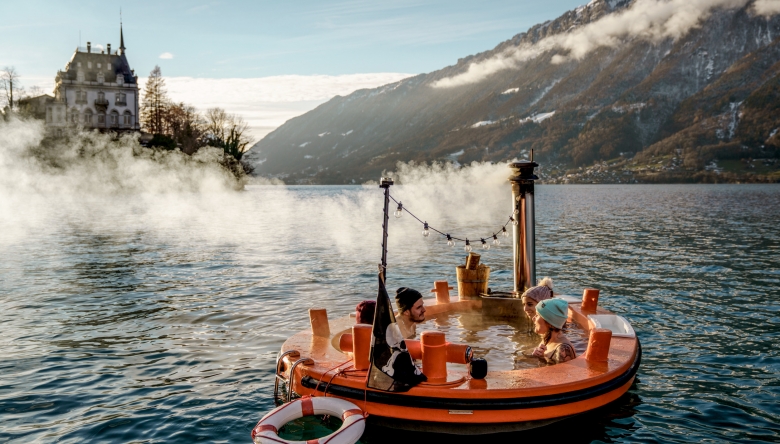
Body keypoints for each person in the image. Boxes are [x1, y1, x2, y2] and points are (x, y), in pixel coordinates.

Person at [531, 298, 576, 364]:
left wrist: (542, 360)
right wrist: (538, 357)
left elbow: (561, 374)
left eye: (537, 315)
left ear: (550, 323)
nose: (533, 318)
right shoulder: (547, 340)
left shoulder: (563, 349)